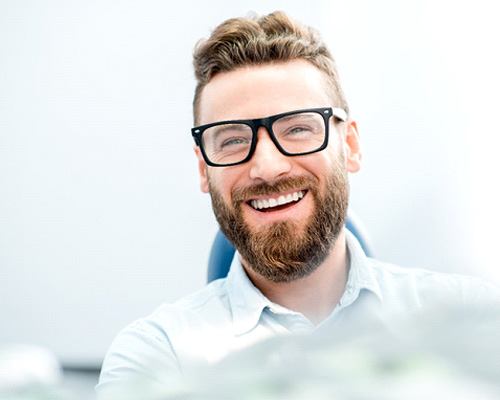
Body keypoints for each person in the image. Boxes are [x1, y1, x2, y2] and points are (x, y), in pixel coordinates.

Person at [96, 11, 499, 397]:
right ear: (204, 170)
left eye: (299, 129)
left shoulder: (475, 318)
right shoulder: (158, 357)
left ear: (351, 146)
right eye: (233, 140)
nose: (267, 168)